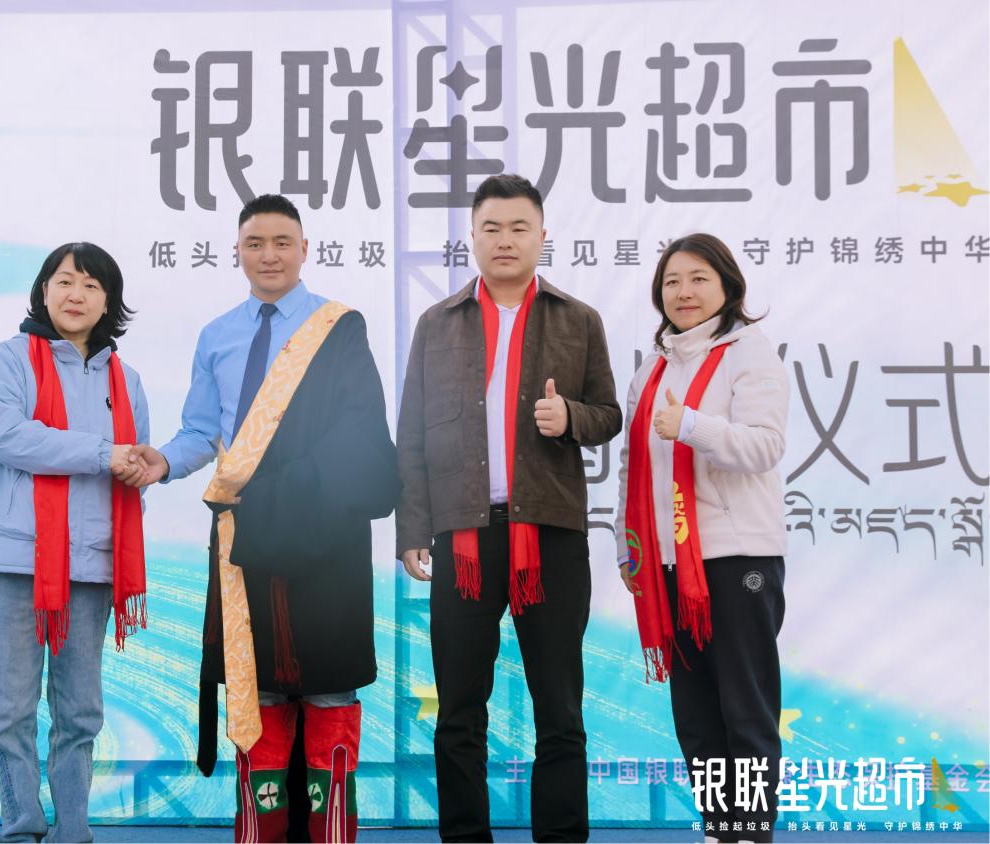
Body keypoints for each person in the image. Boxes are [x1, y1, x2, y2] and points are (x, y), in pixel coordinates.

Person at [133, 194, 399, 843]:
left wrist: (290, 487)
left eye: (282, 242)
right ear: (238, 252)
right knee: (262, 692)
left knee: (330, 688)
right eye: (256, 243)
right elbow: (203, 431)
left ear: (305, 250)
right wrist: (163, 462)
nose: (269, 255)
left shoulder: (339, 328)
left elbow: (360, 434)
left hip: (326, 536)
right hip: (245, 538)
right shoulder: (217, 335)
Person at [396, 173, 622, 843]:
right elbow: (411, 435)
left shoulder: (578, 319)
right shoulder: (437, 324)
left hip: (549, 536)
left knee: (560, 710)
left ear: (542, 236)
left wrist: (570, 417)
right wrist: (413, 527)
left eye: (519, 227)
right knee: (459, 711)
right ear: (472, 236)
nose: (504, 240)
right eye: (491, 227)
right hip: (464, 537)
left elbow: (609, 414)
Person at [0, 242, 150, 843]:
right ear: (43, 290)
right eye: (65, 281)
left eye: (92, 285)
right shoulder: (8, 360)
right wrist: (102, 454)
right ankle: (22, 828)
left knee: (80, 714)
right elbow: (7, 438)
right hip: (14, 560)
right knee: (12, 711)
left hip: (91, 569)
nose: (77, 295)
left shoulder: (127, 380)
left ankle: (75, 831)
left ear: (109, 301)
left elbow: (132, 468)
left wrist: (138, 467)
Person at [615, 233, 789, 843]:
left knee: (746, 708)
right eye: (671, 282)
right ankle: (721, 828)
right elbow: (632, 466)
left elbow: (764, 446)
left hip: (738, 558)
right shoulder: (652, 368)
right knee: (695, 715)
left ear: (727, 286)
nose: (683, 292)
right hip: (667, 564)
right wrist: (628, 548)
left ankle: (752, 833)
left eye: (697, 279)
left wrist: (690, 424)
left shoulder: (749, 352)